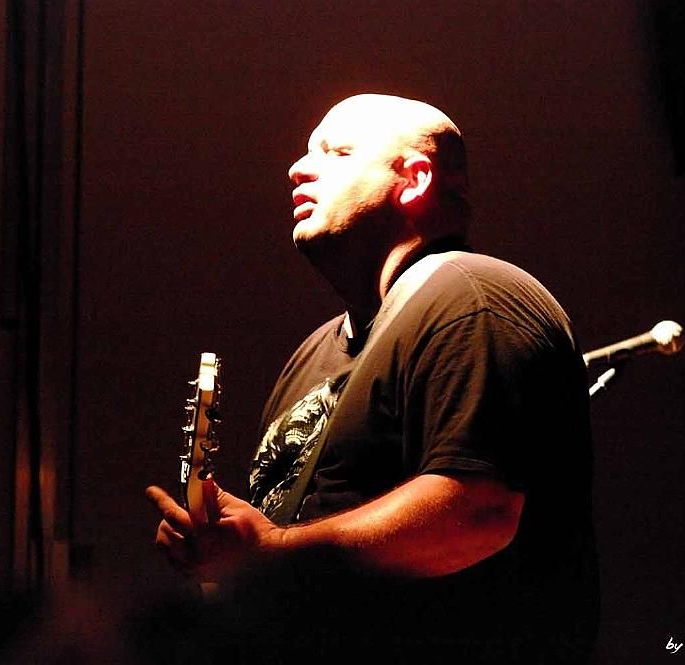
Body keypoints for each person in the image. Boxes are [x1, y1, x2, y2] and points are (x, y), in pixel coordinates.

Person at [146, 94, 599, 664]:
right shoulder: (312, 354)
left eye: (336, 152)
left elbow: (478, 512)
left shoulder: (472, 296)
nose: (298, 168)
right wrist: (222, 552)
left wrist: (278, 550)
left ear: (414, 180)